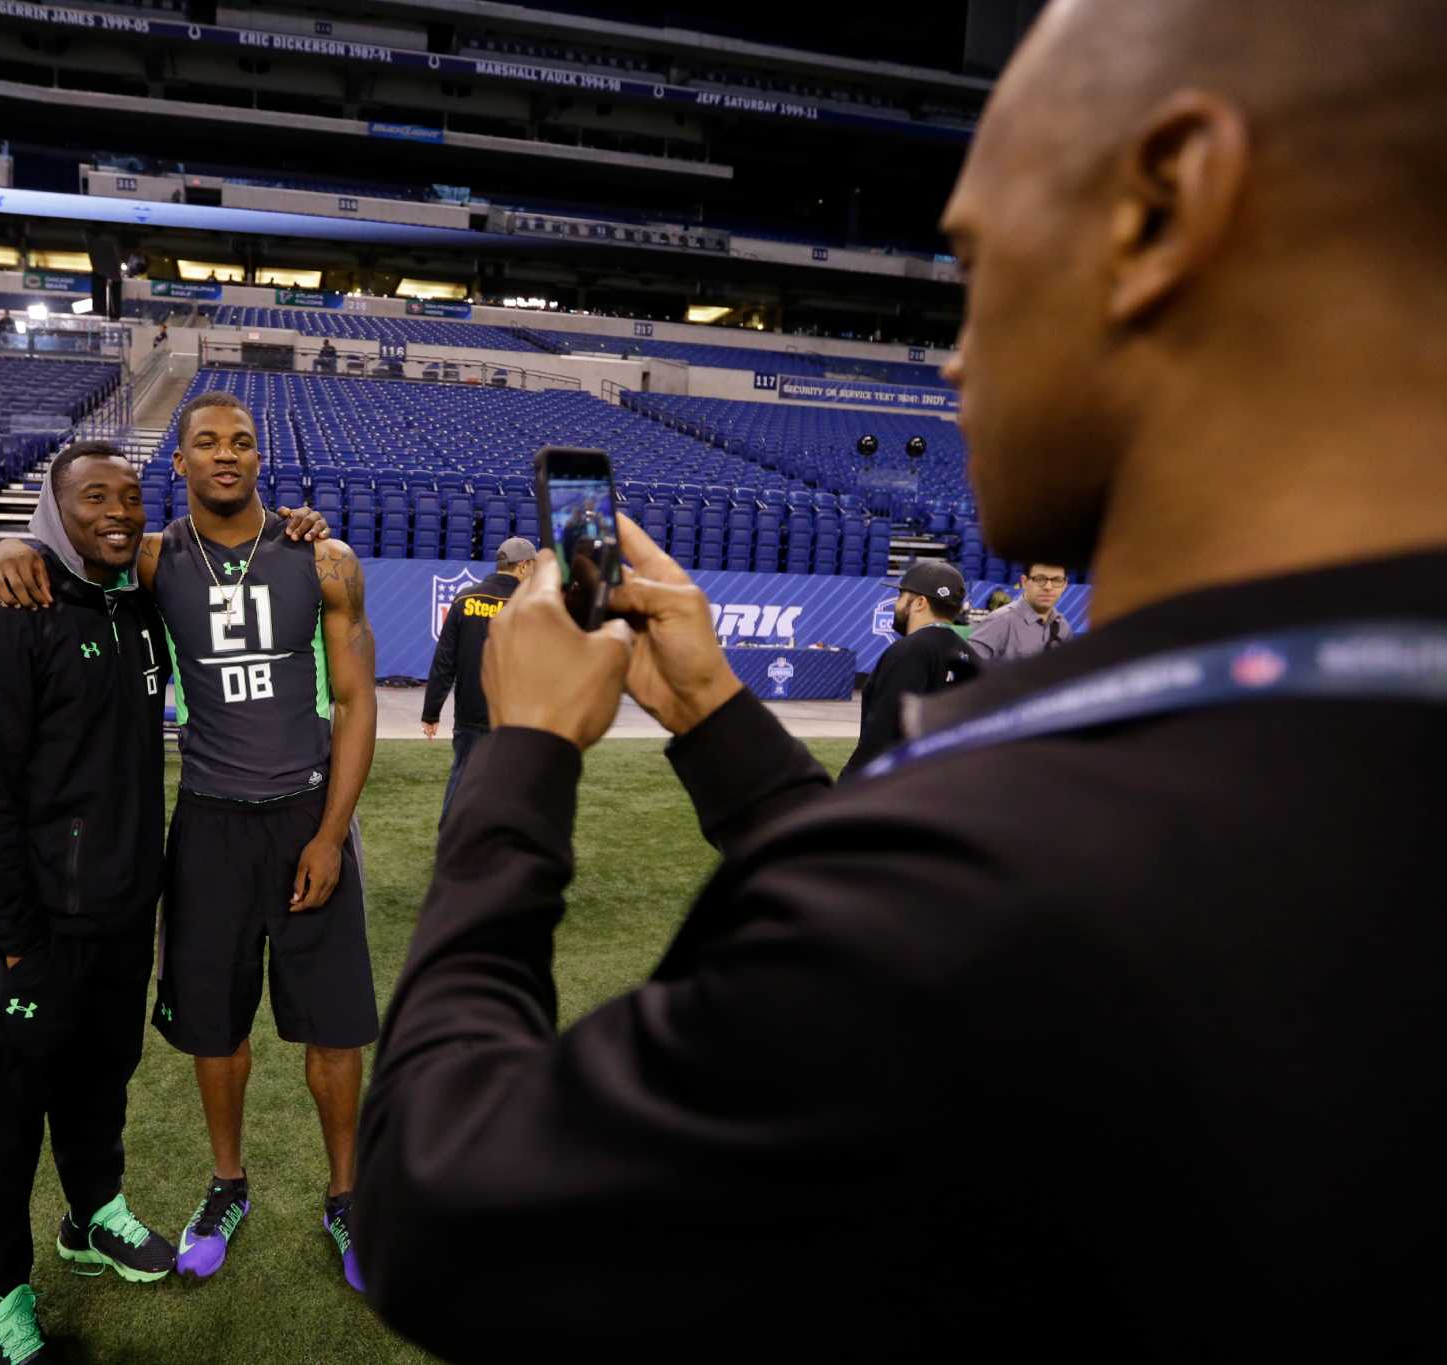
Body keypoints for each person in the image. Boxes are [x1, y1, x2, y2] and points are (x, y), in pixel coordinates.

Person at [351, 0, 1447, 1357]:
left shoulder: (993, 886)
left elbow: (445, 1201)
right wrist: (715, 721)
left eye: (976, 260)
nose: (954, 353)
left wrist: (519, 762)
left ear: (1166, 204)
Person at [0, 391, 379, 1294]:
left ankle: (347, 1196)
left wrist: (328, 834)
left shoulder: (324, 558)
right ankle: (227, 1184)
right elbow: (70, 558)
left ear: (260, 458)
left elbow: (357, 706)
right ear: (183, 463)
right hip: (207, 822)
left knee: (335, 1029)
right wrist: (7, 549)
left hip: (305, 816)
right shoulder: (156, 559)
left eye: (242, 442)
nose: (226, 455)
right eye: (207, 442)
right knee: (214, 1027)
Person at [0, 444, 177, 1365]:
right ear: (52, 509)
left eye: (129, 496)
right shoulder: (0, 619)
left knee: (101, 1079)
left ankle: (90, 1216)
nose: (118, 512)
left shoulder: (135, 610)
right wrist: (16, 937)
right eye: (93, 498)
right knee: (6, 1118)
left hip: (121, 917)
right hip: (34, 932)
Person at [420, 536, 537, 821]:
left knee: (462, 777)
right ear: (522, 566)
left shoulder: (465, 599)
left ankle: (451, 843)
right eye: (533, 566)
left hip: (470, 712)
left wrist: (431, 712)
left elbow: (444, 662)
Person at [841, 557, 978, 776]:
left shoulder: (910, 651)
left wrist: (848, 788)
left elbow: (882, 734)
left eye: (901, 596)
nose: (897, 604)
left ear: (920, 603)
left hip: (896, 790)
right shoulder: (970, 655)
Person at [968, 562, 1075, 660]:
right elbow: (967, 671)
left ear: (1065, 585)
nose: (1048, 587)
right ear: (1024, 582)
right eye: (1040, 579)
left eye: (1057, 580)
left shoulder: (1063, 627)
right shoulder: (999, 621)